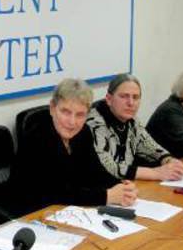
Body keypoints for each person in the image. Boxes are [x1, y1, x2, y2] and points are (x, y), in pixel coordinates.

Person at [10, 79, 138, 214]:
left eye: (80, 115)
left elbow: (96, 171)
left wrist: (121, 186)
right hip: (29, 215)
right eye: (65, 112)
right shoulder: (37, 138)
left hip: (65, 212)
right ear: (53, 108)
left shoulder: (83, 133)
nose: (72, 122)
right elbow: (55, 192)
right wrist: (107, 196)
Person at [86, 74, 183, 181]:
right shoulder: (94, 122)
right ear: (109, 99)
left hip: (122, 185)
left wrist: (168, 160)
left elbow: (149, 145)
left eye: (135, 97)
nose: (131, 103)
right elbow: (105, 167)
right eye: (124, 96)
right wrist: (155, 173)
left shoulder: (131, 119)